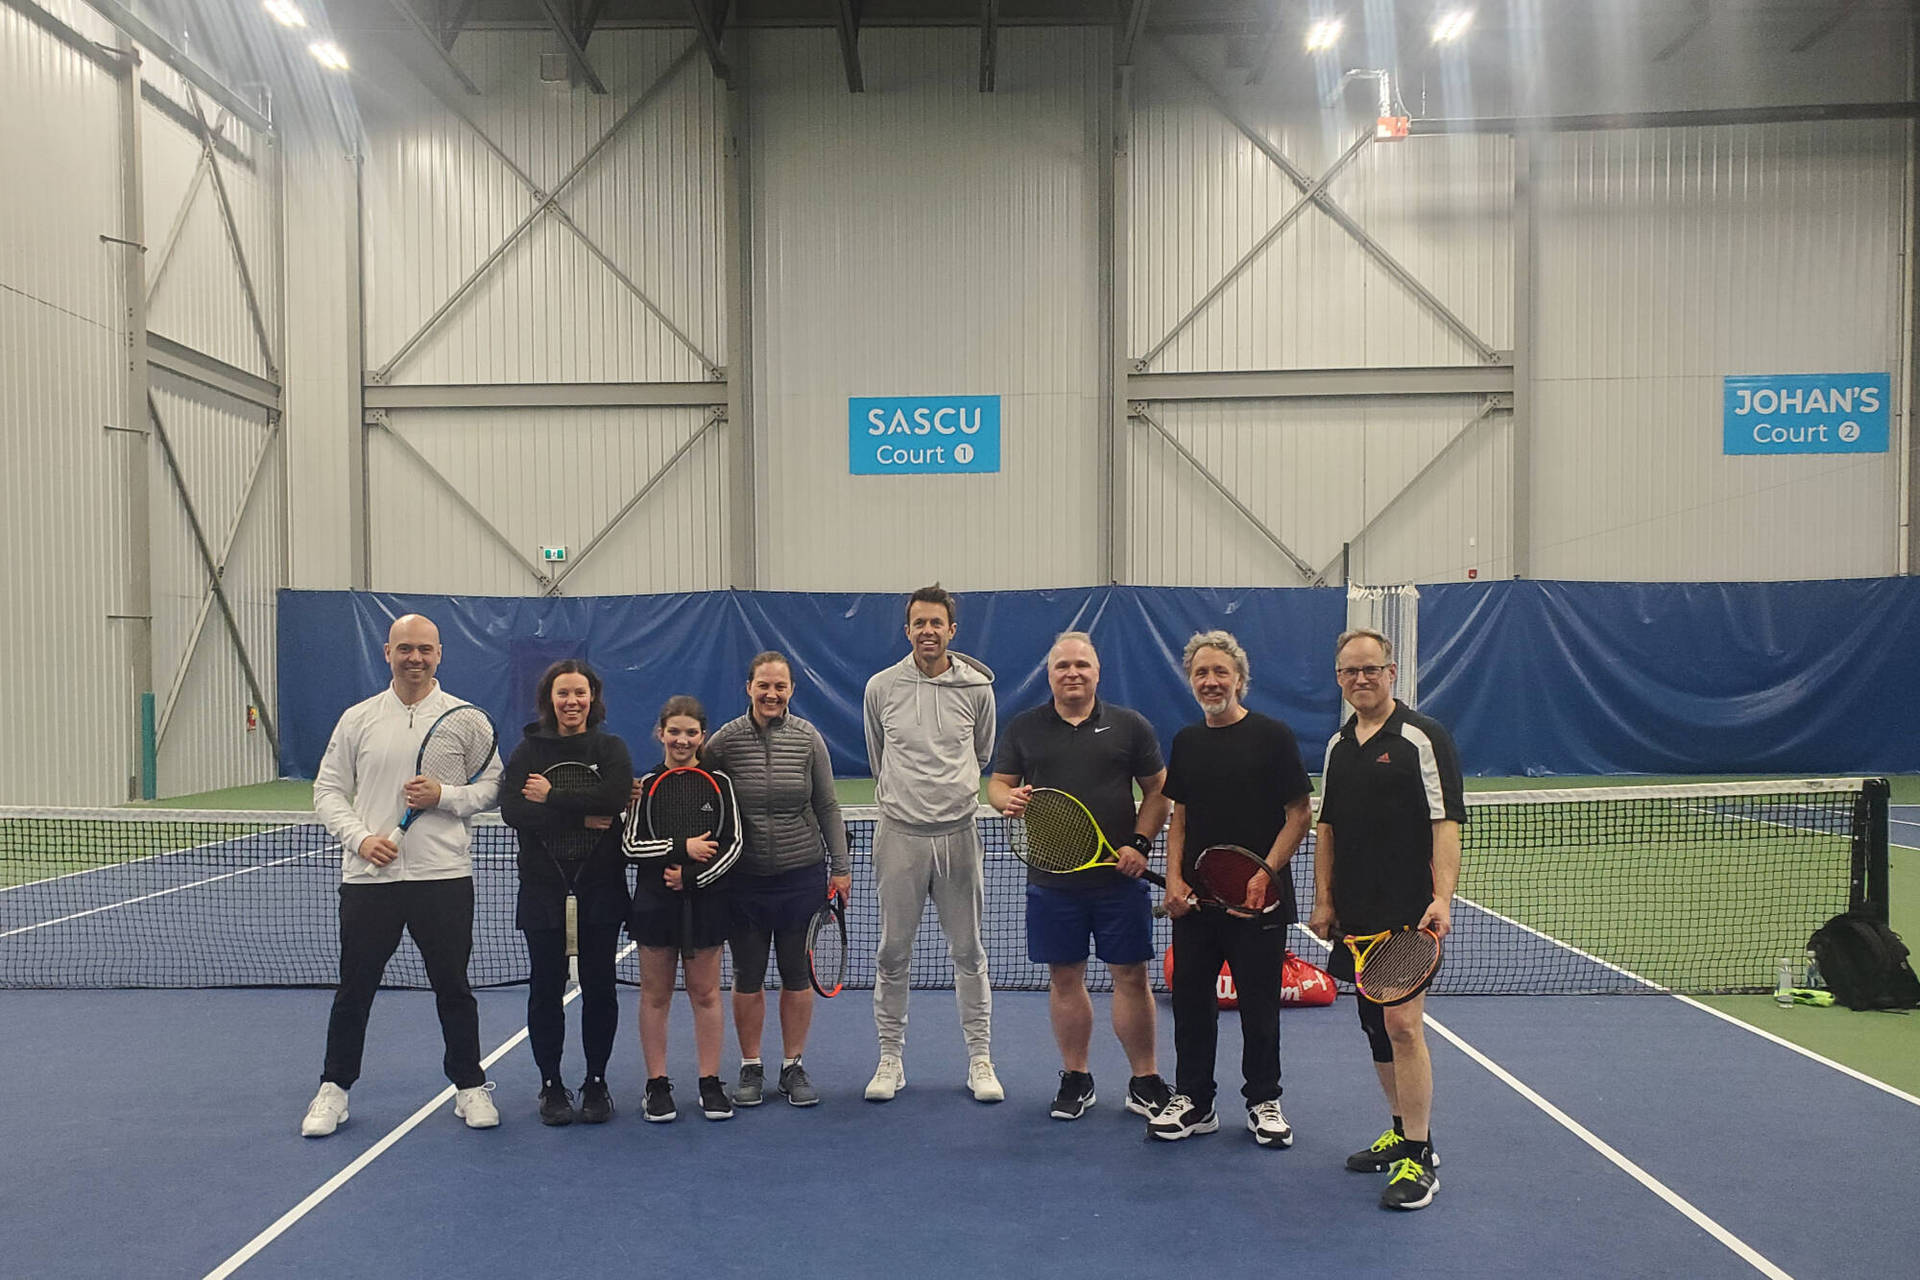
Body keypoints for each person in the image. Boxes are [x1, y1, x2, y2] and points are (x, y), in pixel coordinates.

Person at [302, 613, 504, 1137]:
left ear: (440, 655)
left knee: (453, 987)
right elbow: (327, 791)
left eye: (425, 649)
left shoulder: (465, 718)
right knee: (355, 989)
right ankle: (334, 1088)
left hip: (444, 876)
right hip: (370, 880)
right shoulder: (358, 719)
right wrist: (360, 838)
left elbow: (490, 787)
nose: (415, 658)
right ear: (387, 652)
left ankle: (469, 1086)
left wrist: (447, 796)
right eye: (405, 648)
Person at [989, 631, 1173, 1121]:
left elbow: (1159, 791)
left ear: (1097, 672)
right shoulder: (1024, 728)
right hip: (1052, 882)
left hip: (1119, 881)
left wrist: (1140, 843)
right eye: (1062, 666)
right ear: (1049, 674)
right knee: (1065, 978)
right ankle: (1076, 1076)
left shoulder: (1130, 727)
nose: (1072, 673)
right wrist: (1005, 799)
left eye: (1081, 665)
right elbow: (999, 784)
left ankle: (1145, 1080)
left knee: (1131, 977)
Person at [1309, 628, 1464, 1212]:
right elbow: (1327, 828)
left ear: (1391, 672)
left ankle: (1420, 1157)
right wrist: (1324, 899)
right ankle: (1400, 1130)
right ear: (1340, 679)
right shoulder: (1337, 746)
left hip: (1407, 912)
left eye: (1371, 669)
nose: (1361, 679)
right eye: (1350, 671)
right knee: (1375, 1026)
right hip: (1355, 914)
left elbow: (1445, 822)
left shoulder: (1424, 738)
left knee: (1402, 1025)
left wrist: (1442, 898)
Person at [1149, 630, 1313, 1147]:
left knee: (1259, 1007)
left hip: (1258, 904)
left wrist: (1265, 873)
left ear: (1240, 679)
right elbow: (1180, 816)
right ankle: (1195, 1102)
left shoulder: (1273, 736)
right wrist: (1174, 878)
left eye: (1220, 671)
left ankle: (1264, 1100)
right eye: (1201, 672)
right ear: (1191, 681)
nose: (1211, 681)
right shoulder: (1187, 741)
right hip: (1196, 905)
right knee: (1192, 1005)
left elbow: (1299, 814)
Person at [862, 583, 1001, 1103]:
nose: (927, 631)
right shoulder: (880, 688)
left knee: (969, 952)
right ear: (908, 631)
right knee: (892, 953)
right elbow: (879, 757)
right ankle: (890, 1060)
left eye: (935, 623)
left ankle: (981, 1060)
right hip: (899, 837)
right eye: (918, 623)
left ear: (951, 631)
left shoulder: (978, 690)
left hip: (959, 837)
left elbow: (981, 753)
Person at [703, 652, 850, 1108]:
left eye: (780, 687)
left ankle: (792, 1066)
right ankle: (750, 1066)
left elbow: (827, 805)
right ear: (748, 687)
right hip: (742, 880)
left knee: (795, 975)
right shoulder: (724, 743)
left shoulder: (809, 740)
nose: (771, 694)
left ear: (791, 691)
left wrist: (840, 867)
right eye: (763, 685)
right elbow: (696, 792)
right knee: (747, 976)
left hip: (800, 876)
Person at [498, 660, 633, 1126]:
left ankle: (596, 1081)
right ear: (549, 699)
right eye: (563, 694)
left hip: (601, 887)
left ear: (592, 698)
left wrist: (551, 797)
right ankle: (551, 1084)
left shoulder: (610, 747)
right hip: (542, 888)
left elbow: (614, 800)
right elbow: (513, 809)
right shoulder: (528, 751)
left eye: (580, 693)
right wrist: (578, 816)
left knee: (600, 988)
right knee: (545, 988)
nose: (572, 702)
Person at [622, 696, 743, 1123]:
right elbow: (631, 845)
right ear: (660, 733)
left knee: (707, 994)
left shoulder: (720, 783)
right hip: (655, 904)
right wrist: (680, 849)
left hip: (706, 903)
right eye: (674, 731)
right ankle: (657, 1085)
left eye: (691, 732)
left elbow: (733, 846)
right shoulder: (646, 785)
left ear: (702, 737)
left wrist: (692, 878)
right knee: (655, 996)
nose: (682, 739)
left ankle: (710, 1083)